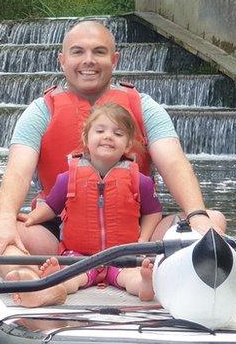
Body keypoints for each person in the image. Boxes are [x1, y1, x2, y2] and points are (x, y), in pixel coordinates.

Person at [0, 20, 226, 305]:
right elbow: (18, 171)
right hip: (60, 237)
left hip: (133, 232)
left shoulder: (144, 107)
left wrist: (196, 215)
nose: (88, 61)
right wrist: (8, 220)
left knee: (213, 219)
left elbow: (173, 163)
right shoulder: (39, 111)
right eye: (78, 52)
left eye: (99, 52)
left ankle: (157, 278)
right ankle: (37, 283)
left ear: (114, 59)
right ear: (62, 60)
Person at [16, 103, 162, 307]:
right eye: (100, 131)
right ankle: (55, 282)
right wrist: (31, 218)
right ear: (86, 138)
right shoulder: (67, 178)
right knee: (71, 278)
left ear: (128, 145)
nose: (108, 136)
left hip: (123, 254)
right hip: (79, 256)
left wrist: (142, 240)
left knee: (133, 278)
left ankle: (145, 284)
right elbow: (51, 207)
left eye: (118, 134)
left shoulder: (140, 181)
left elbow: (153, 212)